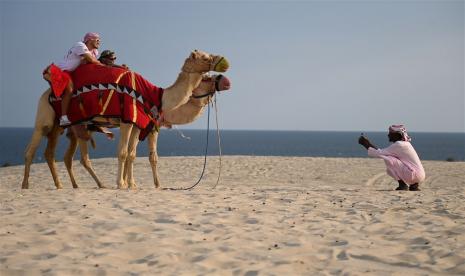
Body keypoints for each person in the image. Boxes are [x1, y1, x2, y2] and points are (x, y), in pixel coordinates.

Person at [43, 32, 103, 126]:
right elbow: (92, 60)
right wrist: (102, 64)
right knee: (69, 90)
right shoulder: (80, 45)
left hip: (73, 72)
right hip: (62, 71)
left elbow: (91, 63)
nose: (99, 41)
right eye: (97, 39)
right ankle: (63, 117)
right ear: (90, 39)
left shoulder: (94, 52)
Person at [358, 125, 425, 191]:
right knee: (390, 157)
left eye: (390, 134)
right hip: (420, 176)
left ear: (397, 135)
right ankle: (414, 186)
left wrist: (366, 143)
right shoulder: (406, 144)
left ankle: (402, 185)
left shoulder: (399, 144)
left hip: (412, 175)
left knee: (388, 158)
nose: (388, 135)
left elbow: (379, 153)